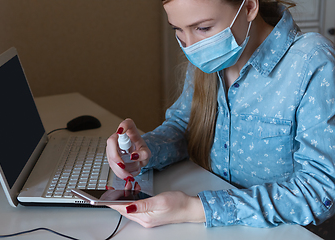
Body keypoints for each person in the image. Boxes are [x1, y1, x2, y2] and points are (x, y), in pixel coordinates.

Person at [106, 0, 335, 229]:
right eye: (178, 29)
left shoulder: (312, 61)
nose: (190, 45)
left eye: (203, 28)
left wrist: (196, 208)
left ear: (249, 8)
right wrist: (145, 150)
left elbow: (321, 190)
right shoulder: (210, 57)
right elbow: (184, 126)